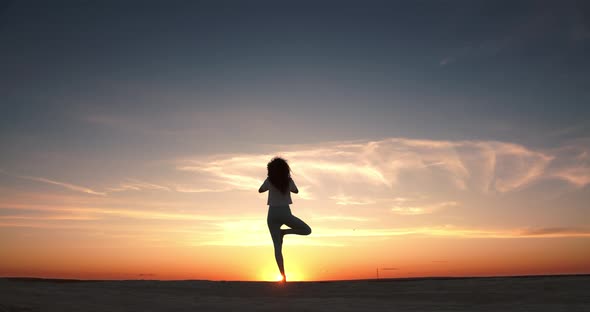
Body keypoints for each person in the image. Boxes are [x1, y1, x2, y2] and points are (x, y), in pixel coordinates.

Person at [259, 157, 311, 283]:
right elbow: (296, 191)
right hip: (285, 213)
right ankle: (285, 232)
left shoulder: (269, 180)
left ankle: (283, 276)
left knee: (277, 248)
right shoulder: (288, 181)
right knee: (307, 230)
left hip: (272, 215)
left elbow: (260, 190)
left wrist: (270, 182)